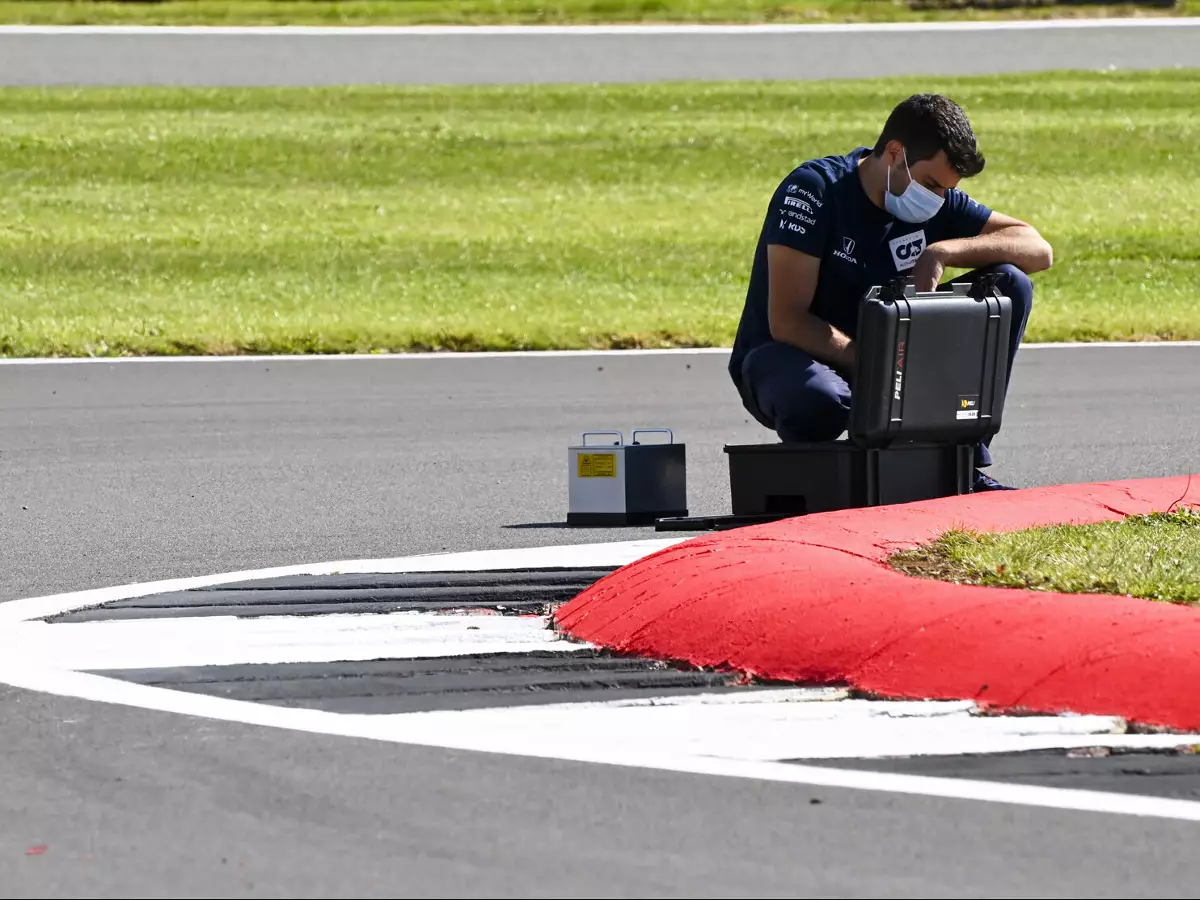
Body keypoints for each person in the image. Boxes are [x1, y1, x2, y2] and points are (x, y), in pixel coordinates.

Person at [728, 93, 1053, 491]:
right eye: (932, 184)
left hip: (890, 359)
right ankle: (823, 477)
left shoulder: (938, 201)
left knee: (1009, 283)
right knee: (819, 401)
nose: (937, 200)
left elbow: (1037, 249)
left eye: (946, 191)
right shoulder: (814, 190)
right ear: (895, 153)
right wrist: (876, 366)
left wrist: (943, 252)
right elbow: (787, 321)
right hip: (792, 356)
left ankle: (964, 459)